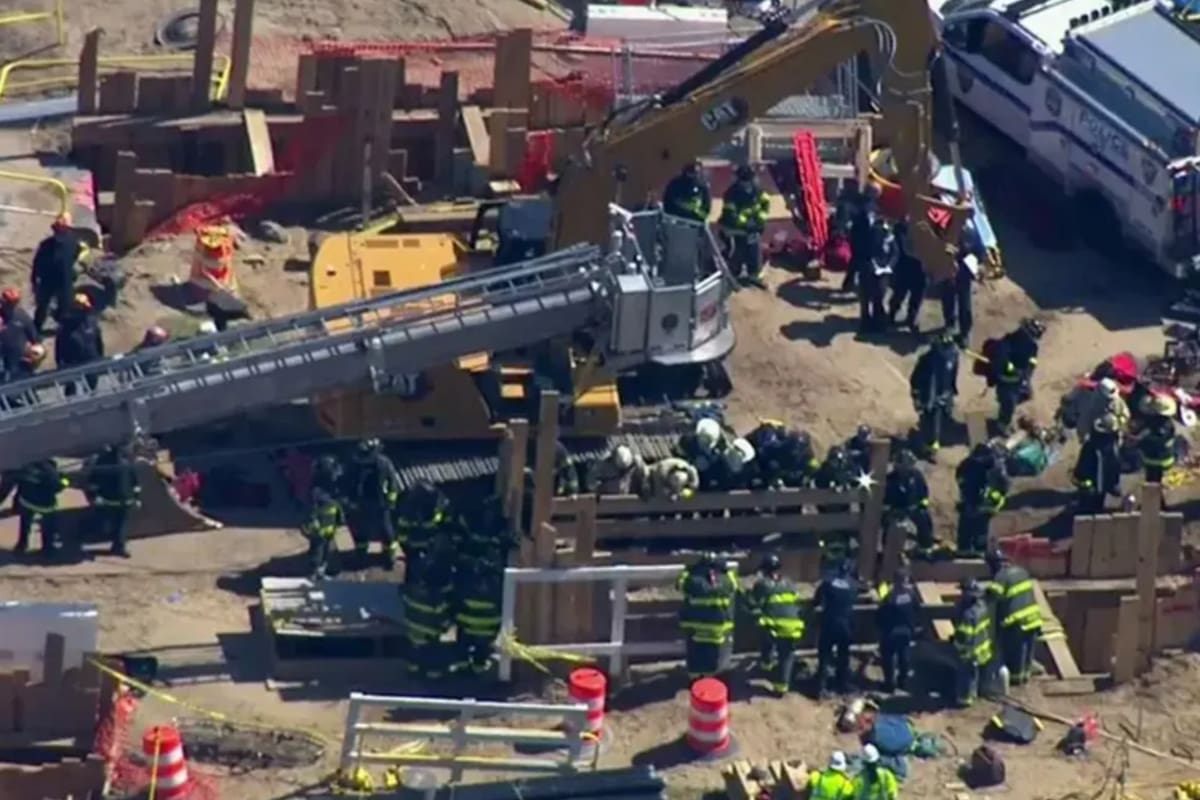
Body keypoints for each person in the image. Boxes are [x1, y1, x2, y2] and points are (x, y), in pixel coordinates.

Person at [748, 553, 805, 695]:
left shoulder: (762, 584)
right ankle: (781, 686)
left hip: (774, 627)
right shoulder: (789, 582)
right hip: (793, 626)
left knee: (764, 633)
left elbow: (752, 602)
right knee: (786, 655)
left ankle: (767, 667)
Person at [677, 552, 739, 679]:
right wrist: (726, 570)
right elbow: (734, 583)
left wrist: (689, 570)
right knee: (713, 657)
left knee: (695, 655)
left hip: (695, 627)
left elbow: (680, 584)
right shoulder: (727, 581)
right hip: (718, 629)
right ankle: (710, 680)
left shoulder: (692, 580)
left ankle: (694, 680)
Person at [986, 548, 1043, 685]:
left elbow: (993, 597)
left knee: (1016, 653)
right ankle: (1026, 677)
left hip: (1017, 621)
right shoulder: (1022, 571)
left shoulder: (1001, 576)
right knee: (1028, 650)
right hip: (1034, 618)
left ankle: (1015, 682)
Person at [343, 438, 402, 569]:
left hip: (380, 503)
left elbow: (393, 484)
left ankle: (389, 556)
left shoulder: (383, 463)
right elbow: (349, 481)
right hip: (361, 502)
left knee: (386, 530)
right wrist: (348, 499)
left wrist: (390, 502)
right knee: (359, 530)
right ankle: (361, 553)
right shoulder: (356, 462)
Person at [403, 541, 454, 681]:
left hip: (412, 632)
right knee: (434, 656)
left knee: (413, 652)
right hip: (429, 638)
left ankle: (412, 670)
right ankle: (434, 676)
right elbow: (444, 622)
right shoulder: (436, 600)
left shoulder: (413, 591)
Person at [988, 317, 1045, 431]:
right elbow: (1003, 360)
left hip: (1019, 380)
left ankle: (1004, 413)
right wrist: (1013, 370)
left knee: (1025, 396)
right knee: (1008, 403)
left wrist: (1027, 374)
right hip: (1006, 380)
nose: (1033, 338)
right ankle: (1002, 425)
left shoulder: (1032, 346)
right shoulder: (1009, 341)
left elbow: (1032, 361)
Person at [718, 165, 770, 288]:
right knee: (738, 251)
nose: (747, 184)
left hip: (752, 227)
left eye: (750, 180)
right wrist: (747, 225)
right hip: (733, 229)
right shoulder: (731, 193)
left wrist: (760, 221)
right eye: (745, 181)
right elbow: (731, 215)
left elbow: (765, 203)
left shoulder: (758, 190)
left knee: (754, 249)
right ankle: (732, 276)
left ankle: (753, 275)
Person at [813, 558, 858, 697]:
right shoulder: (853, 585)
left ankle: (821, 687)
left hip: (829, 623)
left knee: (824, 655)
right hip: (845, 625)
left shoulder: (827, 583)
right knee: (843, 655)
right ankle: (842, 684)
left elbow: (817, 600)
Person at [910, 331, 959, 458]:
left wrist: (952, 390)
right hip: (929, 397)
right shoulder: (926, 360)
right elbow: (915, 379)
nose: (947, 350)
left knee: (941, 419)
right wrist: (916, 397)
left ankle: (931, 442)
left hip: (944, 394)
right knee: (930, 420)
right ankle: (928, 447)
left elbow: (953, 373)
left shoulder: (953, 355)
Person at [86, 443, 141, 557]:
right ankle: (118, 546)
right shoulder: (127, 464)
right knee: (121, 524)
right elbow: (135, 483)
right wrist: (137, 498)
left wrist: (93, 496)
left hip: (108, 500)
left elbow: (93, 482)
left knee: (110, 522)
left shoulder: (102, 464)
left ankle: (116, 544)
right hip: (124, 500)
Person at [30, 214, 81, 334]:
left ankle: (63, 328)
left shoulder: (72, 242)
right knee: (42, 305)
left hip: (65, 280)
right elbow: (37, 263)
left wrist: (74, 270)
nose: (59, 232)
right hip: (48, 281)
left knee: (65, 306)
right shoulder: (46, 245)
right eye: (57, 229)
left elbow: (77, 255)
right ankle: (36, 329)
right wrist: (34, 279)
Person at [955, 443, 1010, 555]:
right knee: (972, 530)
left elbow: (1001, 487)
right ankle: (970, 549)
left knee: (976, 531)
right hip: (975, 505)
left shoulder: (989, 468)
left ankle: (974, 549)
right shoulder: (970, 466)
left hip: (982, 505)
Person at [453, 556, 503, 675]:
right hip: (488, 631)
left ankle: (462, 666)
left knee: (462, 642)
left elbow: (457, 603)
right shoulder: (497, 586)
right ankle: (478, 668)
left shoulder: (467, 584)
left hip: (466, 628)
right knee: (482, 649)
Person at [393, 479, 452, 579]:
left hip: (422, 549)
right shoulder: (412, 511)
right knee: (415, 574)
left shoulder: (426, 510)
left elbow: (435, 525)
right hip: (415, 549)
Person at [877, 566, 921, 693]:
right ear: (905, 580)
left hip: (891, 632)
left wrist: (881, 629)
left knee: (888, 658)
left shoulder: (889, 597)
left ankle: (889, 685)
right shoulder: (911, 595)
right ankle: (903, 682)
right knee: (904, 657)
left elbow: (880, 614)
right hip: (906, 632)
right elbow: (917, 611)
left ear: (895, 581)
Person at [940, 220, 984, 347]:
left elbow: (978, 249)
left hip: (964, 270)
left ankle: (964, 333)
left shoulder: (972, 229)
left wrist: (977, 263)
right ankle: (949, 324)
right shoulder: (949, 224)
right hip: (948, 268)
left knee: (964, 303)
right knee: (948, 297)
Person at [952, 578, 994, 707]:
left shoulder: (968, 615)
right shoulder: (983, 607)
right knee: (975, 675)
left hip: (969, 652)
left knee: (966, 677)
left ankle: (964, 700)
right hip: (982, 649)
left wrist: (956, 645)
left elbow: (964, 636)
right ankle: (975, 694)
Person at [883, 450, 934, 554]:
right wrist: (891, 510)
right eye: (900, 464)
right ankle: (887, 548)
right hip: (896, 510)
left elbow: (924, 495)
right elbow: (885, 499)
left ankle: (926, 547)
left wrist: (920, 506)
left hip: (913, 508)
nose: (904, 467)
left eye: (907, 464)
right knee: (889, 523)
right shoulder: (890, 479)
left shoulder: (917, 477)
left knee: (924, 518)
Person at [14, 458, 68, 556]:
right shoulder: (50, 471)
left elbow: (18, 481)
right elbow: (58, 487)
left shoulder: (27, 465)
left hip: (26, 501)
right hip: (44, 504)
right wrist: (65, 479)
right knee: (49, 525)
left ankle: (22, 545)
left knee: (25, 523)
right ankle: (47, 548)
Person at [55, 293, 104, 396]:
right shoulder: (65, 325)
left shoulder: (91, 321)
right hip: (72, 362)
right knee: (71, 389)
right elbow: (59, 346)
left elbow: (98, 341)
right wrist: (60, 363)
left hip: (91, 359)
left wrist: (100, 357)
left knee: (92, 386)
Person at [304, 456, 345, 579]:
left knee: (327, 550)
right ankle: (313, 573)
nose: (336, 475)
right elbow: (311, 508)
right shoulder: (316, 490)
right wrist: (313, 522)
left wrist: (340, 518)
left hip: (330, 527)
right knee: (317, 550)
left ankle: (322, 571)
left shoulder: (333, 488)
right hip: (319, 528)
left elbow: (337, 505)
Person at [1073, 413, 1122, 515]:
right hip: (1090, 487)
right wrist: (1086, 485)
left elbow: (1114, 466)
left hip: (1102, 486)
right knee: (1087, 509)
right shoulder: (1091, 447)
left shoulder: (1112, 447)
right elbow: (1083, 468)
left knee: (1098, 506)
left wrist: (1113, 484)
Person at [859, 216, 897, 335]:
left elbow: (895, 253)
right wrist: (873, 265)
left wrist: (889, 266)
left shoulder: (891, 237)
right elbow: (866, 251)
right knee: (865, 297)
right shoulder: (871, 233)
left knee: (879, 297)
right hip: (868, 270)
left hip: (883, 272)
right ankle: (865, 323)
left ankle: (878, 323)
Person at [887, 218, 925, 331]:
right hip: (905, 265)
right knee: (899, 292)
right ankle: (891, 315)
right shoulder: (901, 226)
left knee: (916, 295)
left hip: (920, 266)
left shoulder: (928, 226)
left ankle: (911, 318)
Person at [675, 418, 729, 491]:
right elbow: (678, 456)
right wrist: (690, 463)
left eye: (708, 439)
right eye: (703, 437)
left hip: (706, 478)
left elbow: (721, 468)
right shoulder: (687, 441)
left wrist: (709, 463)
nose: (705, 441)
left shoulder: (720, 448)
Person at [1137, 394, 1179, 483]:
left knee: (1154, 484)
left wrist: (1139, 441)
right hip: (1163, 459)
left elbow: (1155, 441)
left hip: (1157, 461)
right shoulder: (1168, 423)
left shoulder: (1162, 426)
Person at [1075, 378, 1130, 443]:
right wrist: (1084, 435)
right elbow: (1085, 418)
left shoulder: (1117, 401)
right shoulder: (1093, 402)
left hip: (1112, 434)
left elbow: (1126, 415)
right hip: (1095, 433)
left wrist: (1115, 423)